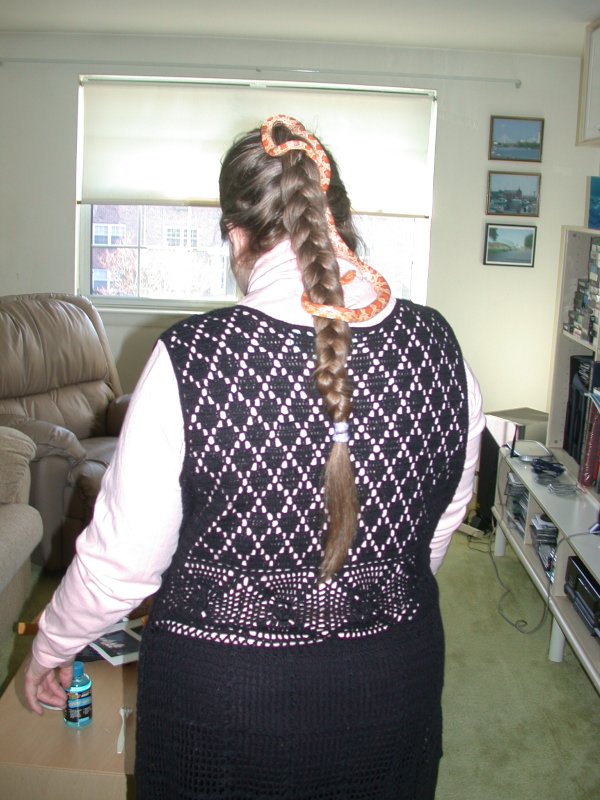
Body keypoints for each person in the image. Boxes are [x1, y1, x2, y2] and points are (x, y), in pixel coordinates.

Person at [25, 114, 484, 799]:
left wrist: (51, 646)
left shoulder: (193, 359)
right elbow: (441, 522)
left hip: (223, 708)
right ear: (341, 216)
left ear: (236, 234)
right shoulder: (442, 348)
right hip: (394, 682)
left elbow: (122, 562)